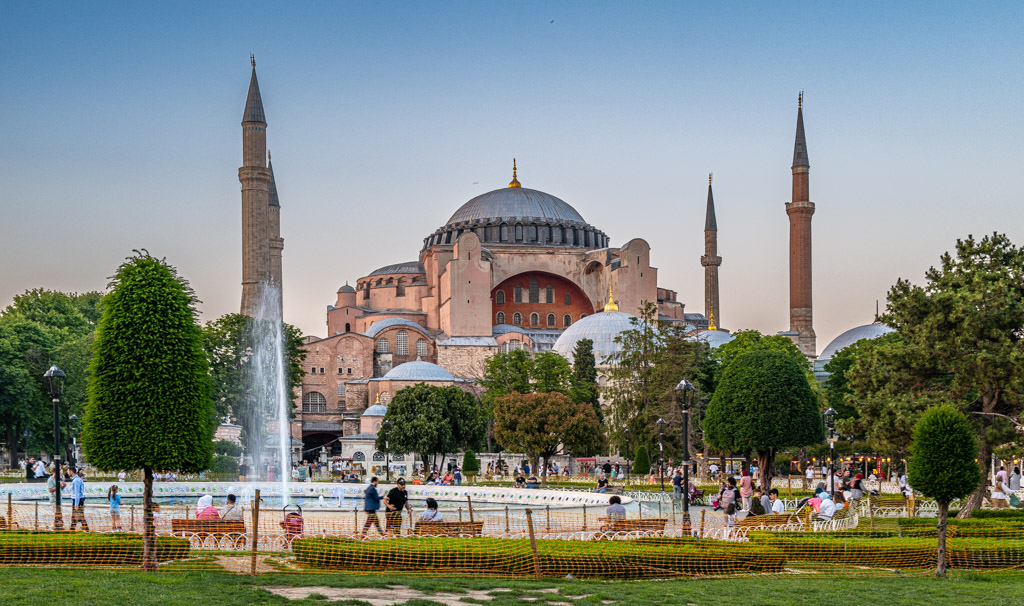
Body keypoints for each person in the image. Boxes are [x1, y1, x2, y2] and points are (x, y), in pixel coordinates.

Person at [47, 465, 65, 530]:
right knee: (55, 513)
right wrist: (58, 485)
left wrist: (63, 486)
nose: (60, 475)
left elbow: (60, 488)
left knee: (59, 513)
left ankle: (59, 525)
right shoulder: (50, 480)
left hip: (59, 499)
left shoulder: (58, 479)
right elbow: (50, 490)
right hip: (54, 499)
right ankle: (53, 526)